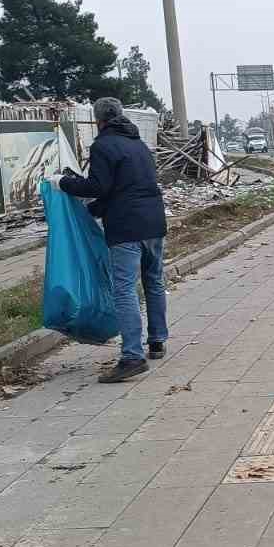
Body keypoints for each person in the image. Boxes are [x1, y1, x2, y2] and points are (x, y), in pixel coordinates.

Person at [51, 98, 168, 382]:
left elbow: (99, 187)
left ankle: (132, 356)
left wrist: (63, 183)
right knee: (153, 280)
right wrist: (93, 211)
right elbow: (124, 188)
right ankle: (157, 340)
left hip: (127, 227)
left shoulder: (102, 146)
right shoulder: (138, 145)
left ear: (98, 120)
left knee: (124, 289)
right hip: (153, 221)